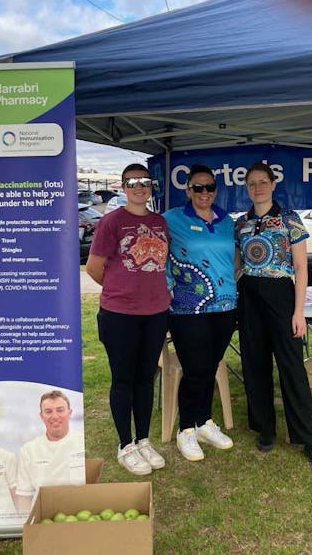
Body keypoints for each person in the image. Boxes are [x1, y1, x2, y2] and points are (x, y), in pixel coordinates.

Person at [234, 162, 312, 469]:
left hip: (281, 295)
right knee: (254, 364)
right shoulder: (241, 224)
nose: (258, 187)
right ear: (247, 188)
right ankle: (265, 428)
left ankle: (310, 439)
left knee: (291, 367)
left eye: (263, 182)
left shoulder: (290, 219)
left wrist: (298, 311)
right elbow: (237, 265)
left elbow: (302, 268)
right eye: (252, 183)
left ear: (273, 184)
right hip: (249, 294)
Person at [87, 163, 171, 475]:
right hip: (119, 315)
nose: (139, 187)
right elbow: (95, 268)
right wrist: (123, 291)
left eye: (145, 182)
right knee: (123, 379)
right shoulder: (111, 222)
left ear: (151, 187)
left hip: (156, 313)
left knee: (146, 379)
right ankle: (125, 444)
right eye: (132, 182)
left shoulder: (159, 223)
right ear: (123, 188)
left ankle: (144, 439)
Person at [163, 164, 236, 461]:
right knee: (195, 369)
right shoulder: (171, 219)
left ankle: (204, 421)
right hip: (187, 307)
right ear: (188, 189)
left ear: (215, 190)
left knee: (211, 364)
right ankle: (186, 430)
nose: (203, 193)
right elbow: (158, 254)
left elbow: (234, 257)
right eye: (197, 187)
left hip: (226, 305)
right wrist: (166, 284)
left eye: (209, 188)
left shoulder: (227, 221)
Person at [15, 390, 85, 512]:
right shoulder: (28, 450)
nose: (55, 416)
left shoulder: (83, 443)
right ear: (41, 416)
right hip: (43, 523)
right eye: (48, 412)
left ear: (70, 413)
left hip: (80, 518)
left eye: (60, 410)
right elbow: (24, 498)